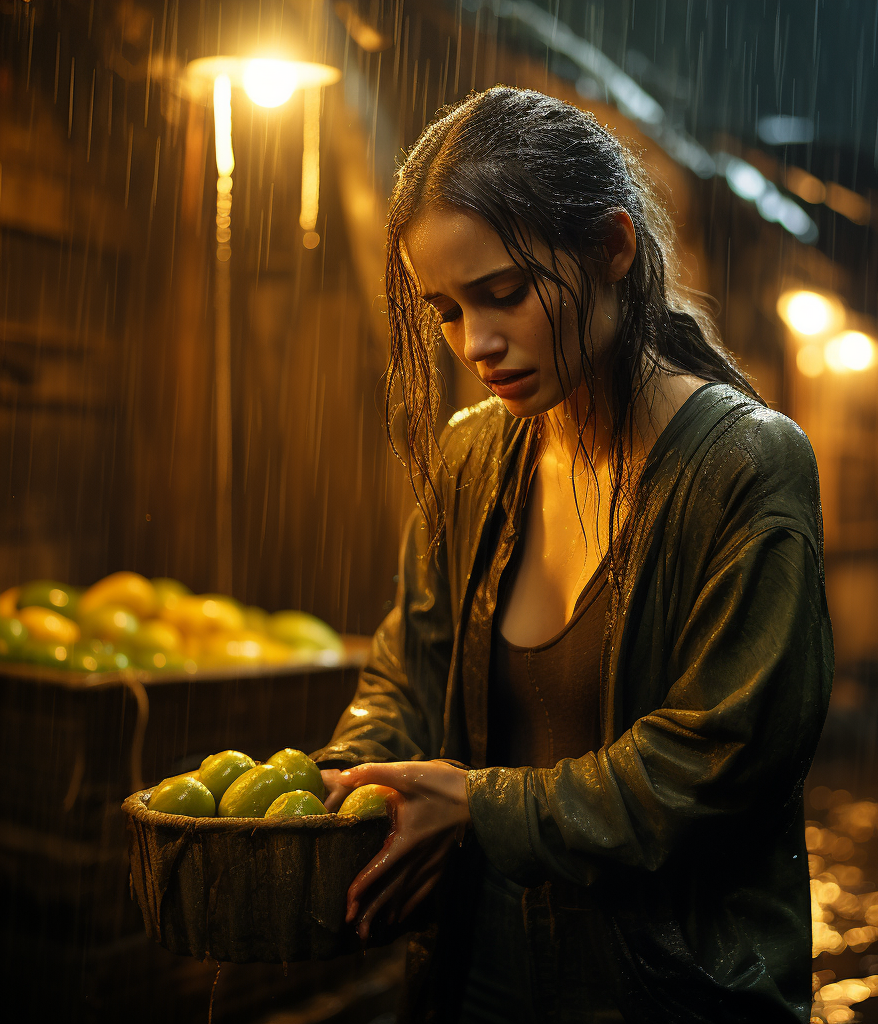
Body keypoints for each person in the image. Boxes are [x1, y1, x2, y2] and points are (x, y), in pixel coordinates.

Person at [312, 86, 833, 1024]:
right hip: (471, 977)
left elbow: (711, 767)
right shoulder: (473, 458)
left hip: (666, 989)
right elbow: (409, 669)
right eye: (444, 309)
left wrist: (478, 806)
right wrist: (352, 782)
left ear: (612, 250)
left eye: (504, 293)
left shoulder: (744, 467)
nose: (478, 343)